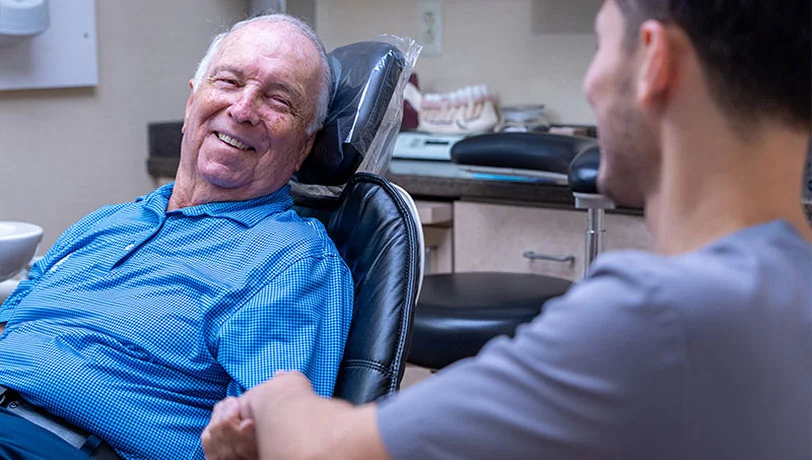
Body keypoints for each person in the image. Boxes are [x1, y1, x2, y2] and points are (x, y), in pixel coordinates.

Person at [202, 0, 812, 459]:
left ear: (654, 61)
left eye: (599, 47)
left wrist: (278, 395)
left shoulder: (657, 315)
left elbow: (327, 452)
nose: (591, 83)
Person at [0, 13, 354, 460]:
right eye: (228, 82)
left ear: (305, 145)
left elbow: (274, 444)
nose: (243, 110)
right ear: (192, 103)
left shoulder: (292, 263)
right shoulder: (110, 221)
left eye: (278, 101)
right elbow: (10, 323)